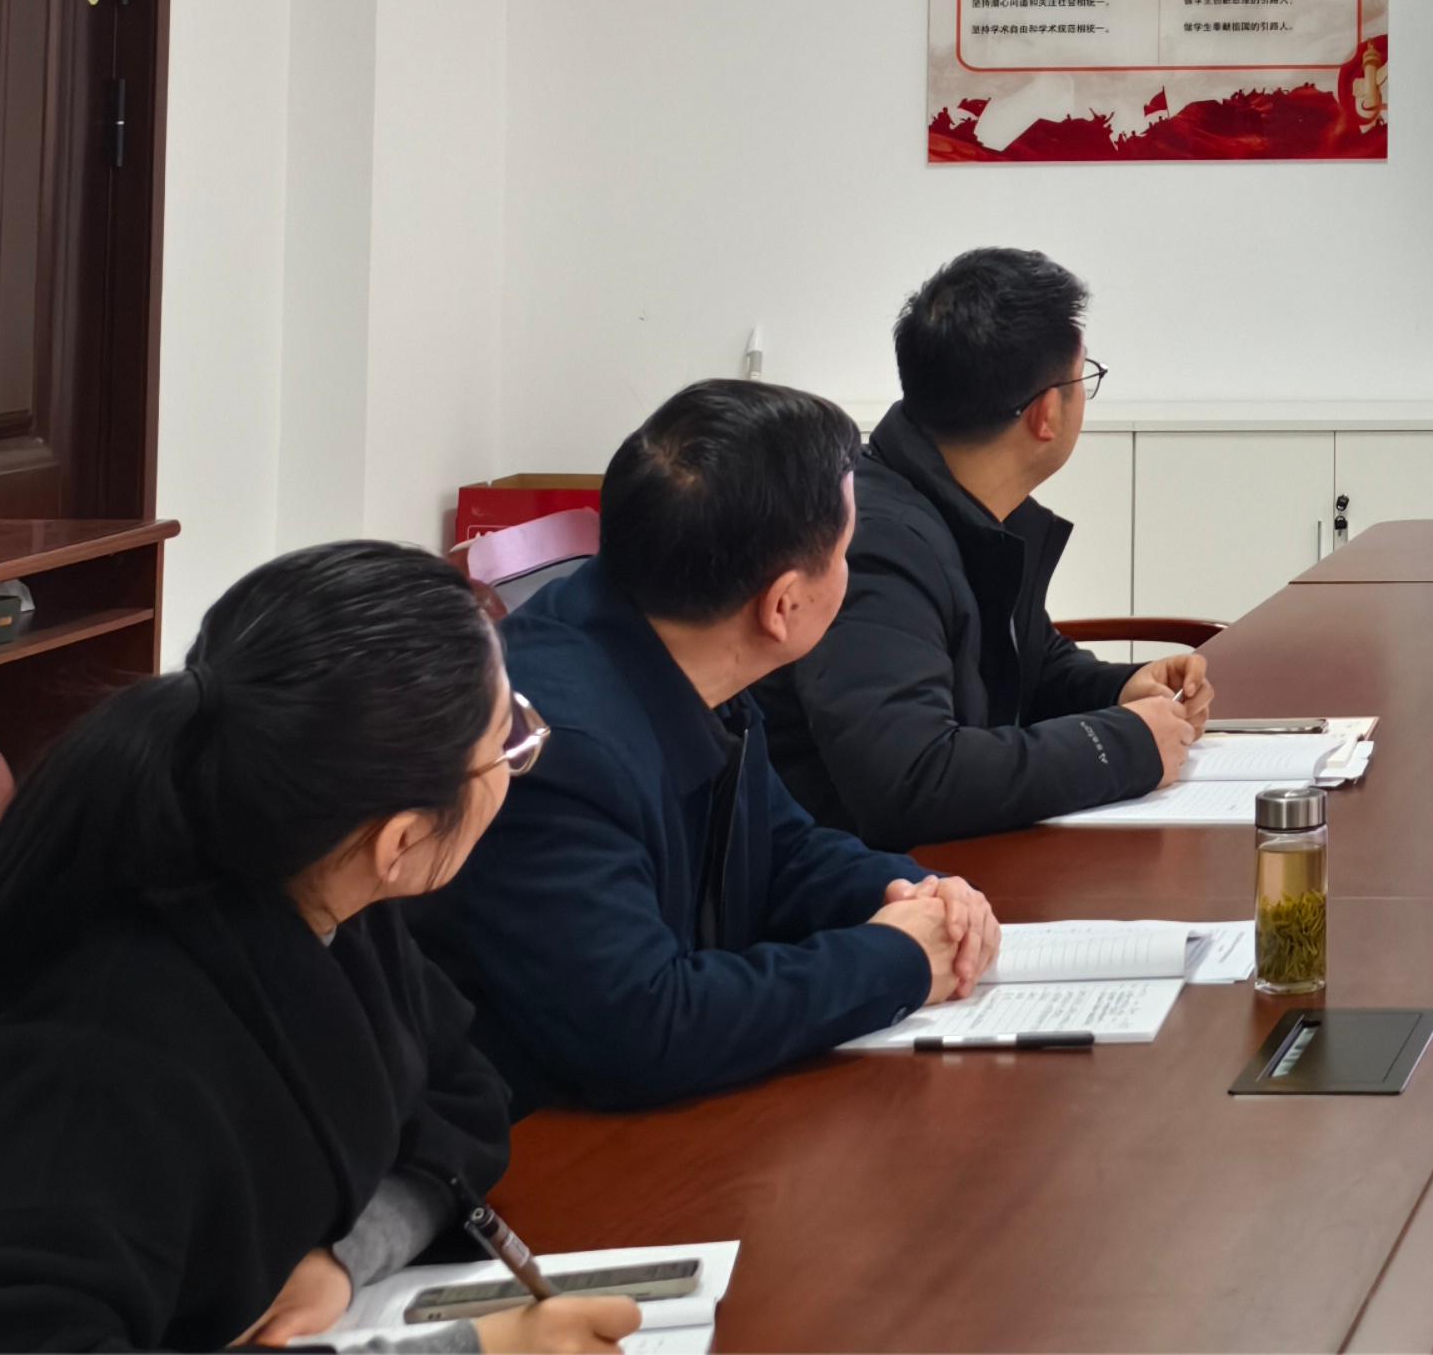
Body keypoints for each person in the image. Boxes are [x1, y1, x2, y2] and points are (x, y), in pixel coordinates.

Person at [0, 544, 638, 1353]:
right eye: (508, 742)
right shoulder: (99, 1050)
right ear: (401, 839)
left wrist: (348, 1255)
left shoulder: (314, 889)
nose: (520, 755)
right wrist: (480, 1350)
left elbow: (460, 1097)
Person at [421, 380, 1000, 1112]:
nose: (850, 572)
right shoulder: (554, 750)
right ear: (783, 605)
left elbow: (781, 849)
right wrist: (897, 959)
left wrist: (920, 897)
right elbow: (644, 1027)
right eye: (846, 553)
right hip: (543, 1145)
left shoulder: (670, 637)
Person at [764, 248, 1208, 850]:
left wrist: (1122, 691)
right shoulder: (875, 545)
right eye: (1084, 377)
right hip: (857, 886)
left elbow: (1026, 665)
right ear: (1046, 413)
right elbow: (912, 779)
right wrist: (1123, 744)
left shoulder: (964, 505)